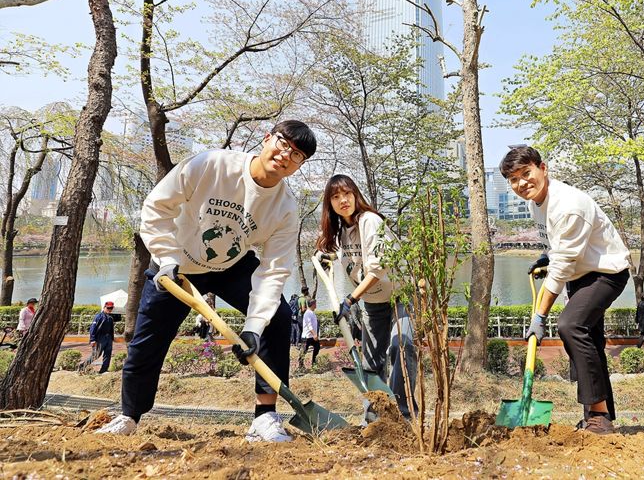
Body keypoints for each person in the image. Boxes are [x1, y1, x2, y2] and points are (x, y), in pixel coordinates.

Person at [97, 119, 316, 442]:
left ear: (299, 166)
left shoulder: (285, 208)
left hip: (232, 265)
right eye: (283, 144)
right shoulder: (212, 165)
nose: (286, 155)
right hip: (177, 264)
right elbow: (157, 209)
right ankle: (129, 415)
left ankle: (265, 416)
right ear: (267, 138)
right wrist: (167, 259)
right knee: (147, 341)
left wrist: (253, 328)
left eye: (297, 155)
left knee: (278, 318)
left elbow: (273, 271)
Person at [500, 147, 630, 435]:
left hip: (606, 273)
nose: (522, 183)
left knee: (571, 326)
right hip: (581, 274)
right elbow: (558, 248)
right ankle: (599, 416)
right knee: (590, 340)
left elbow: (560, 270)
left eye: (526, 174)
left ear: (542, 168)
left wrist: (539, 317)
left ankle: (597, 415)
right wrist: (548, 256)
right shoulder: (537, 203)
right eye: (514, 179)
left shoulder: (569, 205)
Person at [315, 174, 417, 419]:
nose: (343, 200)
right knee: (371, 362)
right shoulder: (341, 233)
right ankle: (374, 418)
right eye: (336, 197)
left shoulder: (369, 220)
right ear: (330, 204)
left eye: (347, 194)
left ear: (356, 195)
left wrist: (350, 300)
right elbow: (352, 260)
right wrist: (326, 257)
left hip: (399, 296)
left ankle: (402, 415)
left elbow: (377, 268)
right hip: (373, 302)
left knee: (402, 347)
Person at [88, 301, 116, 373]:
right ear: (104, 307)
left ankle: (103, 370)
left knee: (108, 355)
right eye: (108, 308)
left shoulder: (110, 317)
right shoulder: (99, 316)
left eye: (111, 308)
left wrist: (112, 338)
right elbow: (93, 328)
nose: (110, 309)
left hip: (108, 338)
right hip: (100, 338)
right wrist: (92, 339)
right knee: (96, 355)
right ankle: (82, 366)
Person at [298, 299, 320, 368]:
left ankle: (313, 363)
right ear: (313, 304)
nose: (316, 305)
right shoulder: (307, 313)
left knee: (317, 347)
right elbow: (309, 326)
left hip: (312, 336)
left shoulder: (312, 312)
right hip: (306, 336)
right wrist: (314, 334)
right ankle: (300, 366)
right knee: (304, 351)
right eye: (315, 304)